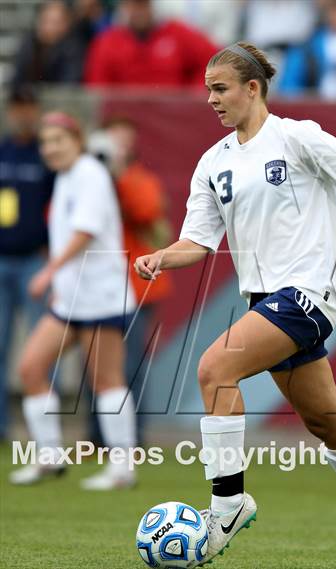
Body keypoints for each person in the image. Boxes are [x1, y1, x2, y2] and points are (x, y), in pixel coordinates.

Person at [134, 42, 336, 568]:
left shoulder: (297, 137)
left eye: (220, 89)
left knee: (215, 369)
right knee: (327, 422)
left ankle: (228, 503)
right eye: (208, 90)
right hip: (265, 302)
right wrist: (162, 258)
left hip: (307, 295)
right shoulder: (212, 163)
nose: (211, 100)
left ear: (252, 89)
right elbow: (198, 241)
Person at [9, 112, 137, 490]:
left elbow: (85, 231)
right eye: (46, 143)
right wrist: (60, 280)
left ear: (77, 141)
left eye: (58, 141)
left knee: (105, 380)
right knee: (31, 368)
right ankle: (49, 457)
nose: (51, 148)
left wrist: (48, 271)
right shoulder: (65, 177)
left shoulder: (90, 175)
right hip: (71, 300)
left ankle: (123, 468)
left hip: (102, 296)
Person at [88, 117, 173, 444]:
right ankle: (96, 437)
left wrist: (118, 177)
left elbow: (147, 211)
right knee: (96, 365)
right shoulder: (88, 180)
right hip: (98, 286)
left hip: (137, 288)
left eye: (125, 142)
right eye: (113, 142)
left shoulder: (140, 179)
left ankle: (132, 437)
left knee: (132, 365)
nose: (118, 149)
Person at [0, 86, 54, 441]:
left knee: (42, 350)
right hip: (2, 260)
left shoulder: (46, 155)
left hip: (35, 262)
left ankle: (44, 436)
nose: (22, 114)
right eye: (17, 108)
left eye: (28, 107)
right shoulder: (2, 151)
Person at [84, 0, 218, 87]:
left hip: (175, 117)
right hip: (126, 120)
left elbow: (213, 61)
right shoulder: (107, 42)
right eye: (132, 5)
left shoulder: (178, 33)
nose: (139, 11)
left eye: (143, 5)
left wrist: (191, 98)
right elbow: (98, 87)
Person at [12, 0, 86, 86]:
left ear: (67, 23)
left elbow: (69, 85)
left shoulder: (74, 49)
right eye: (45, 20)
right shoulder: (30, 45)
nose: (49, 27)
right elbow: (17, 81)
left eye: (55, 22)